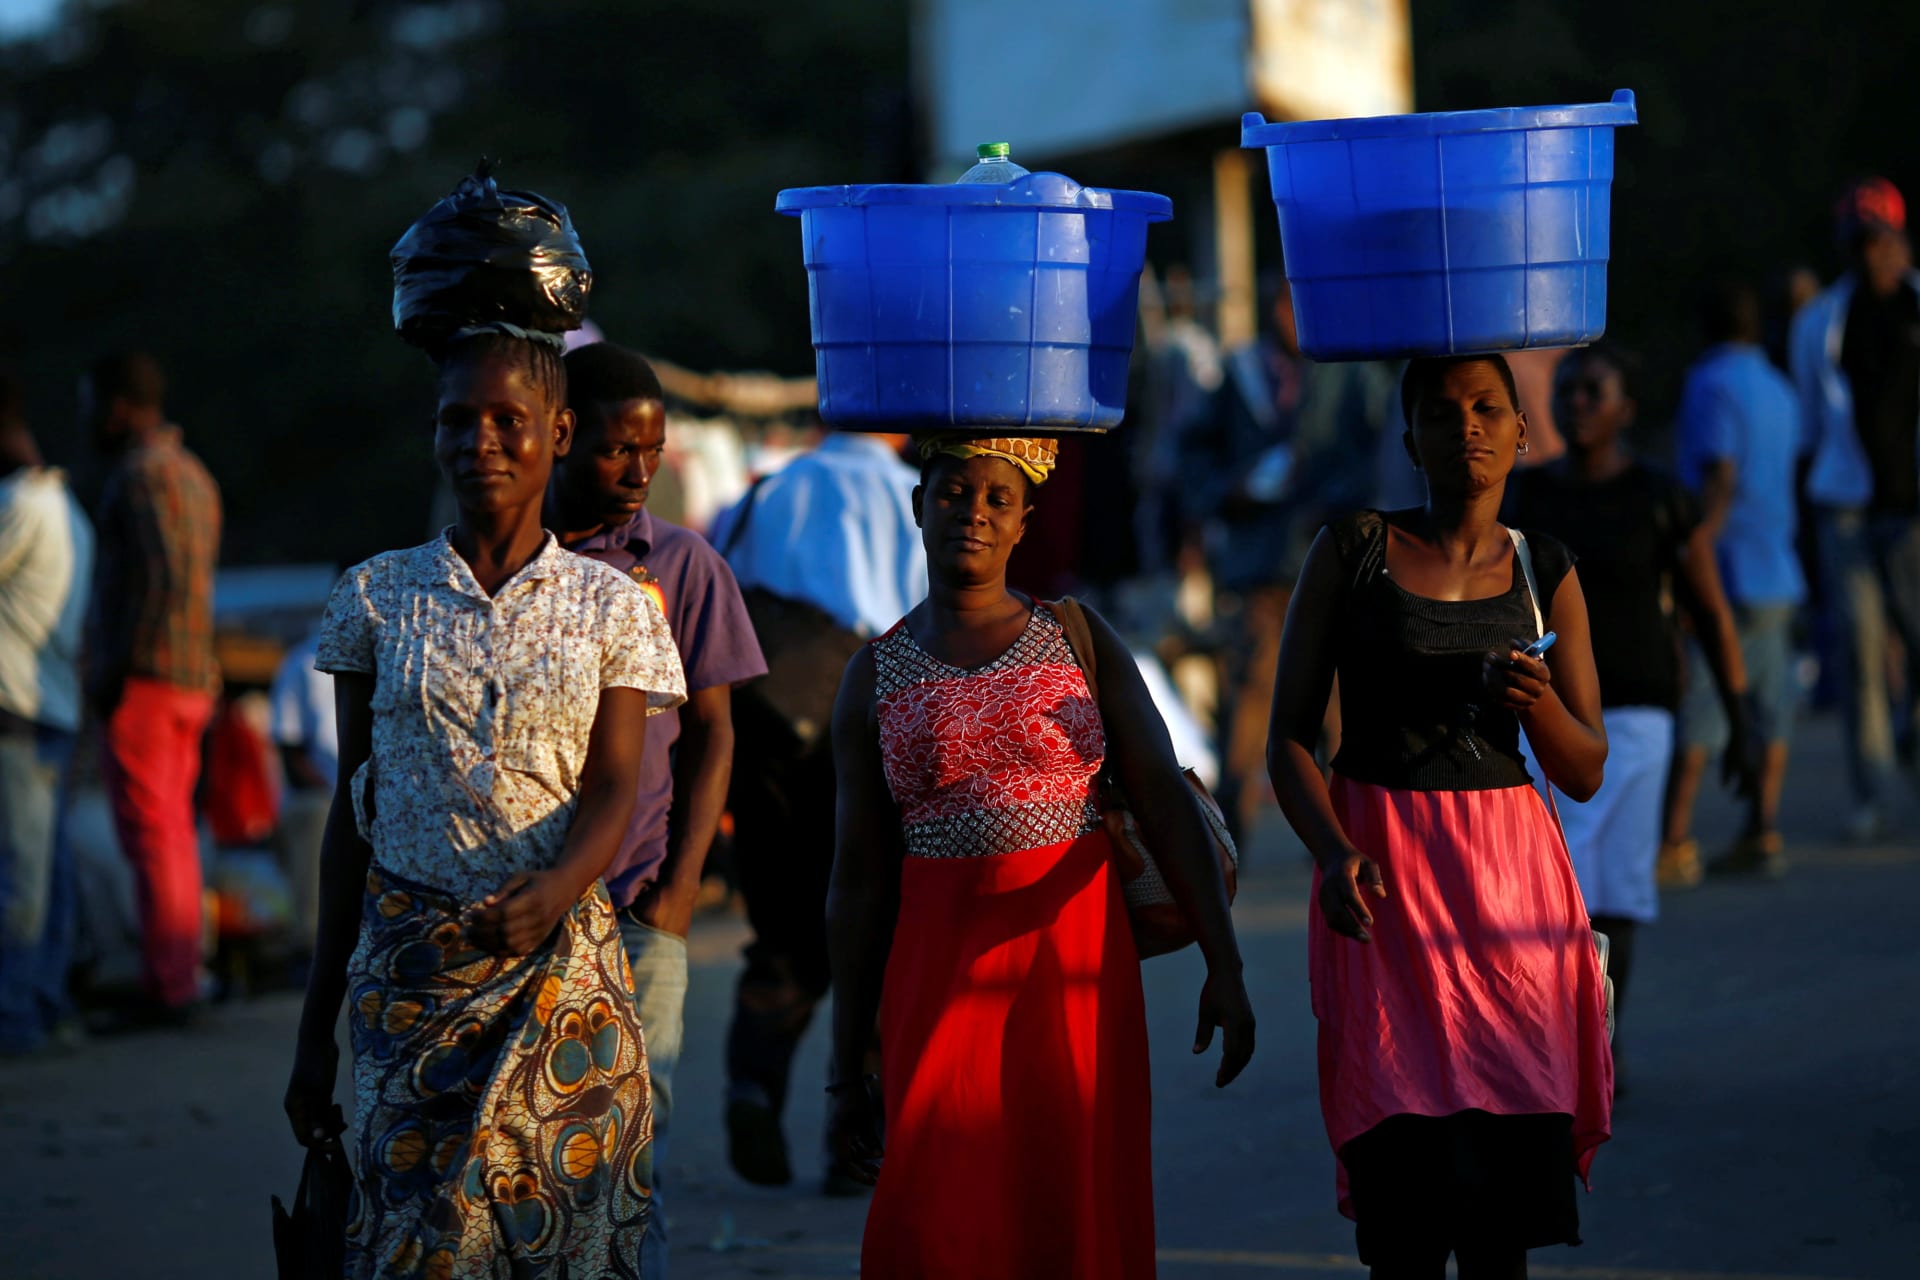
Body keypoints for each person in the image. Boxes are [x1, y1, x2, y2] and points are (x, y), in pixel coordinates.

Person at [282, 329, 687, 1275]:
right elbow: (355, 811)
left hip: (561, 982)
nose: (483, 441)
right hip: (409, 984)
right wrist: (315, 1028)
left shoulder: (613, 604)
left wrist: (555, 892)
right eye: (458, 420)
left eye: (510, 420)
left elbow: (616, 784)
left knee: (562, 1245)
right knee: (419, 1246)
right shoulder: (376, 596)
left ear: (558, 431)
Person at [825, 435, 1255, 1279]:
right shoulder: (871, 675)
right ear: (918, 506)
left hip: (1076, 970)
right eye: (953, 493)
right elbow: (858, 881)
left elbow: (1163, 800)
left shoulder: (1075, 637)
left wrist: (1226, 965)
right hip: (938, 973)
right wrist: (849, 1063)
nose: (973, 513)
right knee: (937, 1215)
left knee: (1070, 1197)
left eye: (996, 498)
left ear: (1025, 520)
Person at [1269, 355, 1613, 1280]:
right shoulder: (1353, 550)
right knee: (1404, 1215)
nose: (1467, 426)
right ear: (1408, 434)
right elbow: (1288, 741)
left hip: (1512, 906)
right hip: (1386, 894)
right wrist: (1333, 853)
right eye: (1442, 410)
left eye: (1488, 408)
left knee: (1501, 1233)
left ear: (1520, 432)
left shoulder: (1545, 569)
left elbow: (1584, 769)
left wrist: (1535, 704)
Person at [549, 340, 766, 1277]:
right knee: (532, 1151)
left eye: (653, 450)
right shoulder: (525, 565)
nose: (640, 473)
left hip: (638, 901)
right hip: (530, 908)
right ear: (561, 440)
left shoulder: (683, 567)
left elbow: (716, 733)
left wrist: (680, 889)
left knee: (634, 1147)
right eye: (614, 450)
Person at [1507, 344, 1754, 1085]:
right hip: (1552, 719)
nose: (1578, 402)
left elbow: (1708, 607)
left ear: (1625, 410)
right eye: (1570, 390)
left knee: (1616, 893)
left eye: (1595, 391)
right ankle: (1552, 1044)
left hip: (1642, 719)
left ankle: (1602, 1043)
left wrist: (1741, 717)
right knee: (1560, 894)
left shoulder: (1659, 496)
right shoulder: (1526, 499)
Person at [707, 429, 925, 1189]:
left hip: (763, 733)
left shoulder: (763, 491)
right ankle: (854, 1143)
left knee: (783, 930)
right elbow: (922, 617)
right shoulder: (909, 496)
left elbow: (717, 607)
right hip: (860, 733)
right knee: (872, 934)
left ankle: (752, 1086)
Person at [1180, 277, 1393, 836]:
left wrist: (1338, 503)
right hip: (1262, 568)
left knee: (1338, 708)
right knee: (1251, 699)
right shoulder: (1240, 373)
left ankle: (1340, 830)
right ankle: (1232, 832)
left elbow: (1385, 455)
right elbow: (1194, 454)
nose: (1289, 316)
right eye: (1280, 303)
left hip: (1337, 565)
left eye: (1299, 304)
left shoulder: (1351, 372)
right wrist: (1231, 492)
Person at [82, 351, 222, 1024]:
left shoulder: (141, 476)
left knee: (153, 835)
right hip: (192, 679)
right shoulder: (194, 474)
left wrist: (115, 670)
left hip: (150, 682)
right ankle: (179, 973)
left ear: (118, 406)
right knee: (174, 833)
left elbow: (160, 583)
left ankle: (169, 985)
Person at [1792, 177, 1920, 841]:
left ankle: (1909, 739)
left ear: (1900, 241)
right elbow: (1810, 434)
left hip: (1913, 510)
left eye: (1880, 240)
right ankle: (1871, 794)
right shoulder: (1819, 323)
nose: (1871, 254)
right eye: (1859, 242)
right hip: (1847, 508)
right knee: (1861, 655)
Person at [1666, 285, 1808, 882]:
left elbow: (1718, 472)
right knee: (1772, 706)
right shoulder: (1779, 385)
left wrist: (1693, 545)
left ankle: (1673, 841)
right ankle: (1763, 828)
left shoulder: (1710, 382)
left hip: (1727, 569)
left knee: (1702, 704)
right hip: (1778, 565)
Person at [0, 381, 94, 1055]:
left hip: (18, 710)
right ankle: (46, 1004)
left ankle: (17, 1020)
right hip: (51, 708)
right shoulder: (67, 508)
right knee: (46, 871)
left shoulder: (20, 503)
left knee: (20, 876)